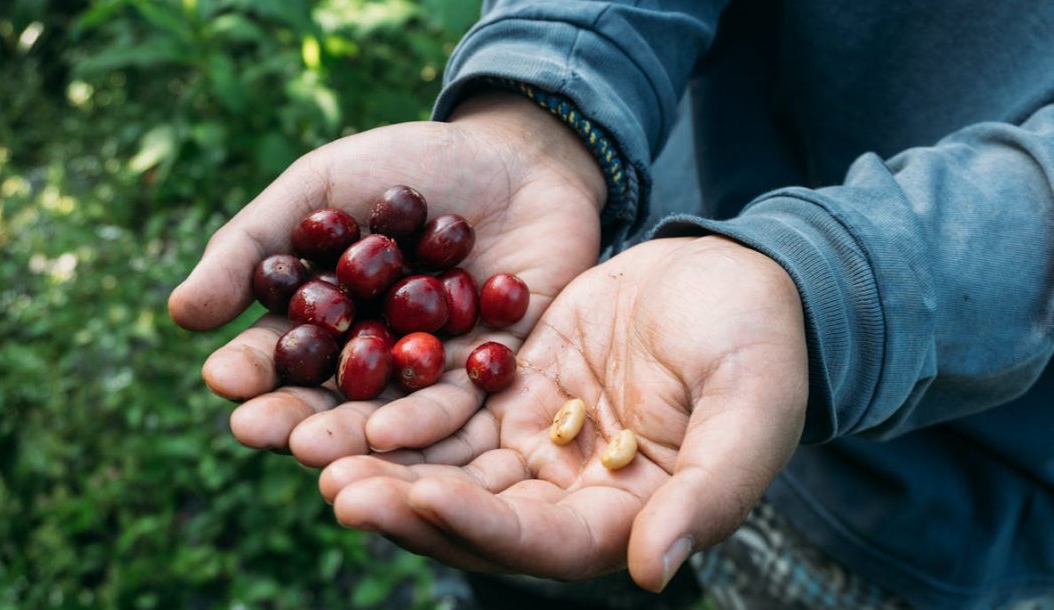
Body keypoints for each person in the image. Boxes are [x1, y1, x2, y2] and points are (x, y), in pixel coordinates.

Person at [168, 1, 1054, 608]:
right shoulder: (532, 306)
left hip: (945, 495)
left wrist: (828, 285)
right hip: (617, 306)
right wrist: (546, 97)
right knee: (513, 550)